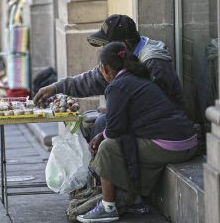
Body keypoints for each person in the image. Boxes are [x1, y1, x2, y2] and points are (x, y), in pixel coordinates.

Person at [75, 42, 197, 223]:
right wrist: (103, 133)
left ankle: (108, 207)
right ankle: (133, 198)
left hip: (171, 145)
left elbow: (115, 131)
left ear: (105, 69)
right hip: (188, 141)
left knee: (108, 147)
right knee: (119, 142)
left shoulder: (118, 86)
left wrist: (101, 136)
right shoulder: (138, 77)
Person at [33, 14, 184, 141]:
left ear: (122, 45)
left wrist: (118, 112)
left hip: (165, 128)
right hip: (143, 119)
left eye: (106, 45)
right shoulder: (121, 58)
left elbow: (161, 106)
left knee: (102, 124)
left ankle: (100, 173)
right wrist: (56, 87)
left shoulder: (154, 62)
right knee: (90, 120)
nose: (103, 50)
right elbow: (93, 79)